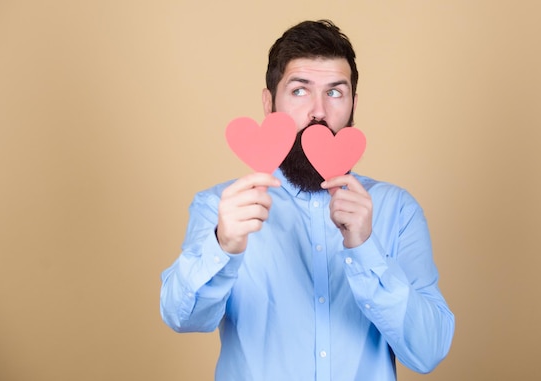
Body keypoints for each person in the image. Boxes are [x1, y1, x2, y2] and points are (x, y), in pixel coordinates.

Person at [160, 19, 454, 381]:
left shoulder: (397, 210)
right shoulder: (220, 207)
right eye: (300, 91)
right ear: (269, 104)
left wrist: (367, 249)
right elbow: (182, 318)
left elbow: (429, 351)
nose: (318, 111)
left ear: (353, 104)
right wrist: (223, 246)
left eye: (334, 92)